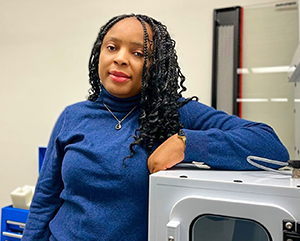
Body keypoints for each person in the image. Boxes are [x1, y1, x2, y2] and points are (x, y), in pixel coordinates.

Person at [22, 13, 289, 241]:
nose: (120, 59)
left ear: (156, 66)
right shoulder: (73, 116)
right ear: (99, 54)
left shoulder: (175, 112)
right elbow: (46, 198)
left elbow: (270, 146)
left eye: (138, 53)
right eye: (111, 47)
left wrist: (186, 143)